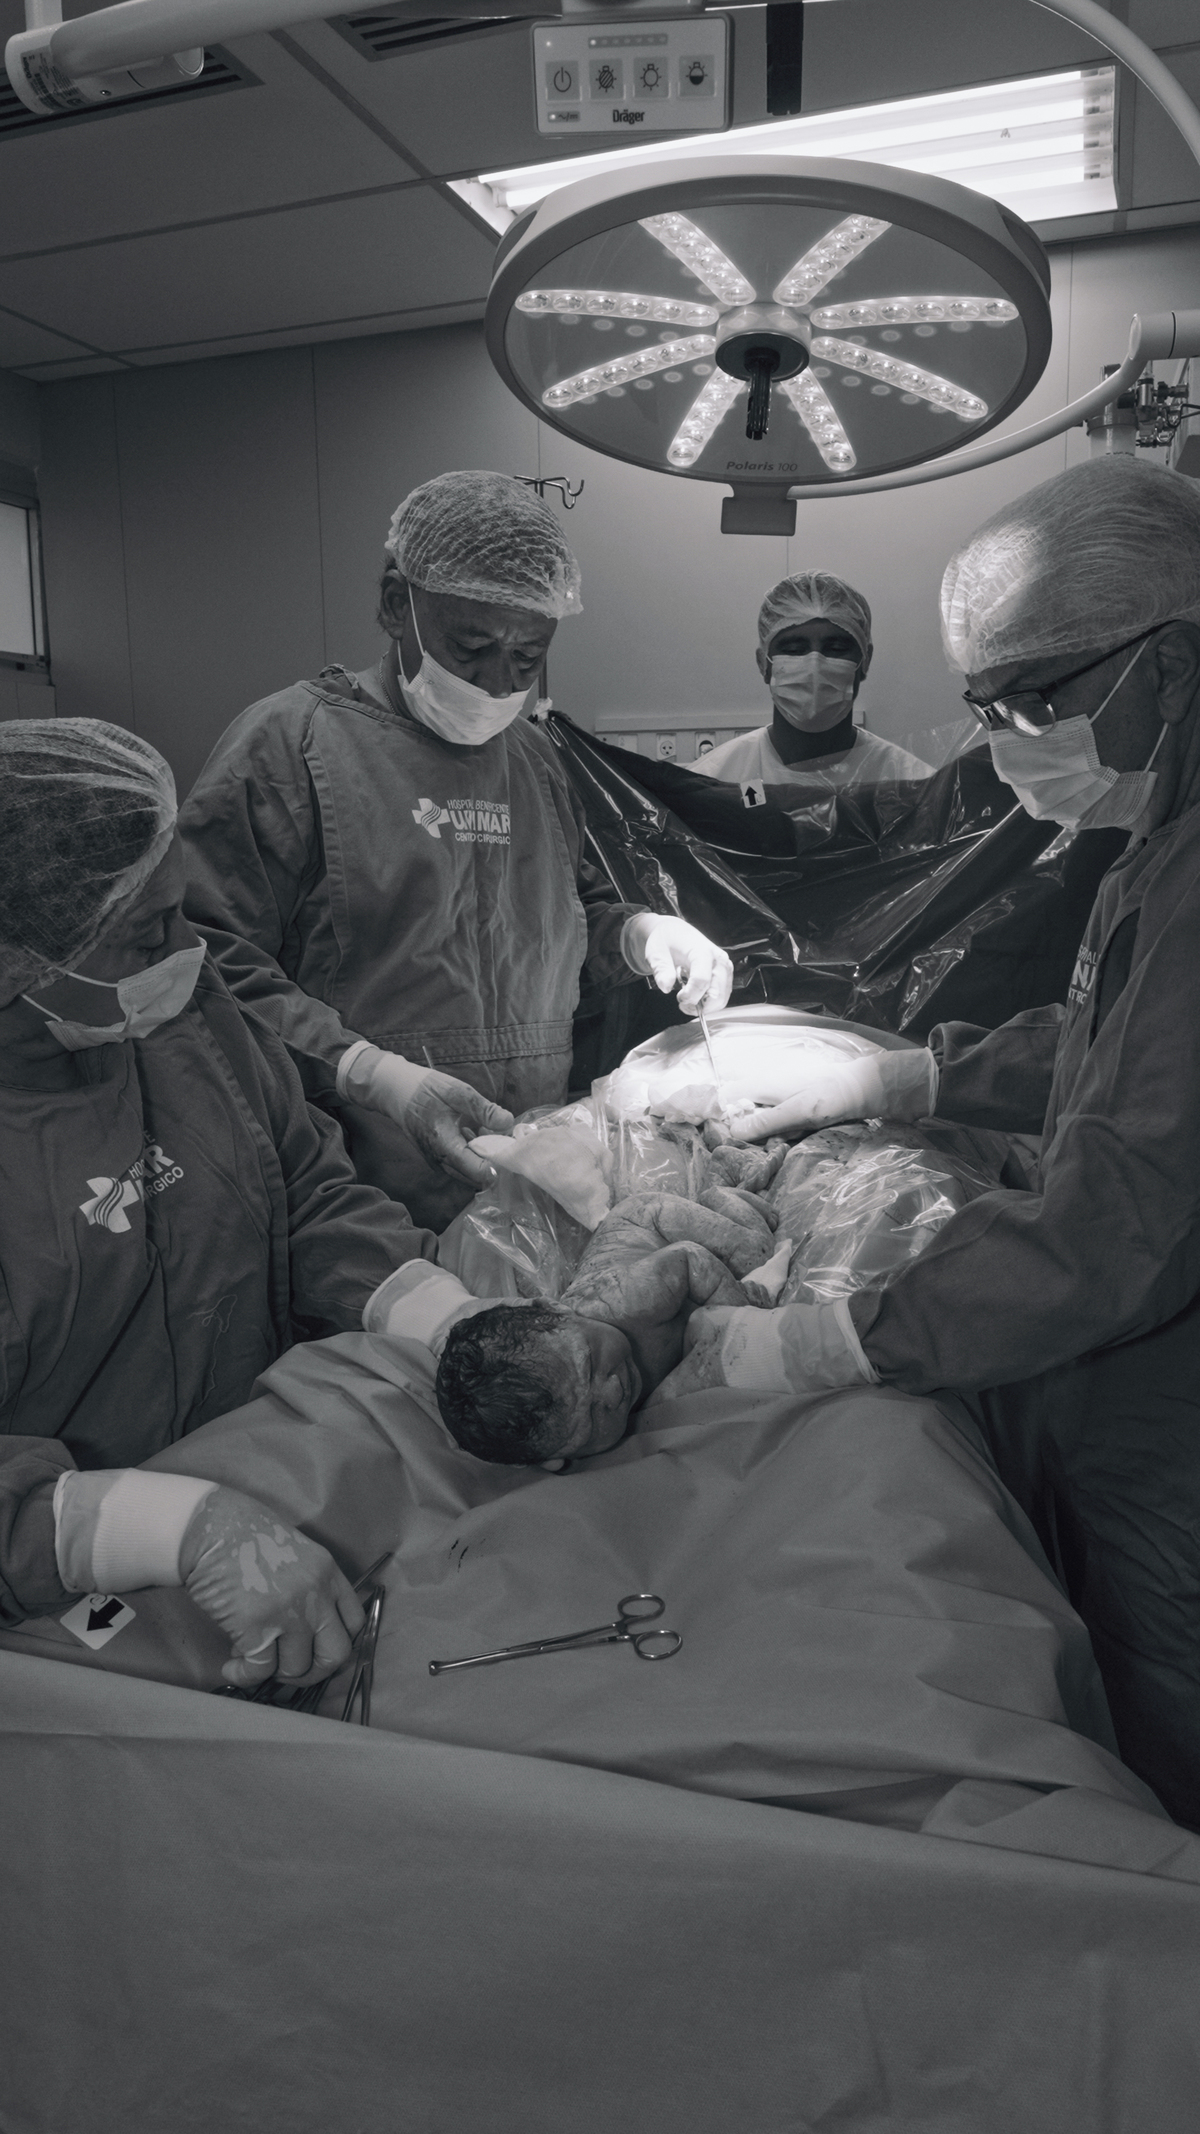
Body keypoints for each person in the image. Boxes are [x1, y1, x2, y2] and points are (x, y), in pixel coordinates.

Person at [684, 457, 1200, 1827]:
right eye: (988, 709)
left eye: (1033, 701)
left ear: (1169, 661)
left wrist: (828, 1341)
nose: (1012, 737)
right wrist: (903, 1075)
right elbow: (1110, 1046)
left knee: (1163, 1767)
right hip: (1123, 1393)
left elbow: (1108, 1230)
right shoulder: (1162, 842)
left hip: (1171, 1419)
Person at [179, 470, 733, 1233]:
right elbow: (206, 960)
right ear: (393, 604)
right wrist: (370, 1073)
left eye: (527, 658)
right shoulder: (289, 747)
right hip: (354, 1193)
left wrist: (641, 935)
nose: (497, 683)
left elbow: (567, 921)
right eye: (472, 647)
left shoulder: (534, 760)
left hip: (526, 1187)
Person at [0, 717, 436, 1682]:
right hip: (51, 1614)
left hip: (263, 1487)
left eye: (181, 911)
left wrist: (445, 1317)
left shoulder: (185, 1023)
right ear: (21, 955)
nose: (187, 950)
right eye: (145, 932)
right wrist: (157, 1527)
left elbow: (306, 1194)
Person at [696, 571, 931, 790]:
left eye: (836, 648)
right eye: (794, 649)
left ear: (865, 661)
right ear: (763, 664)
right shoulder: (714, 781)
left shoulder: (912, 785)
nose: (814, 665)